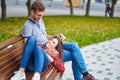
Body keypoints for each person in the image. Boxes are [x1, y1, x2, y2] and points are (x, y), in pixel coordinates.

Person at [10, 0, 95, 80]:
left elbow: (45, 36)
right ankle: (86, 75)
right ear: (32, 12)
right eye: (39, 15)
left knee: (74, 46)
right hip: (44, 51)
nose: (40, 17)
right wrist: (46, 52)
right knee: (74, 55)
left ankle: (84, 74)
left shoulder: (40, 21)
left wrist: (55, 36)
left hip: (51, 46)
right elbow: (28, 45)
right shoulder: (28, 26)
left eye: (42, 15)